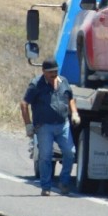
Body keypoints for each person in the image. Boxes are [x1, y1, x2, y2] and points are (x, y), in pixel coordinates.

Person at [20, 57, 80, 196]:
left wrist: (75, 113)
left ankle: (64, 182)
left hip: (62, 125)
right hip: (44, 126)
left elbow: (69, 98)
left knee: (70, 153)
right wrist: (28, 125)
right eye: (50, 72)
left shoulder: (63, 81)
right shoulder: (36, 85)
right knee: (46, 156)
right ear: (43, 72)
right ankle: (46, 186)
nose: (54, 74)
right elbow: (24, 104)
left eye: (55, 71)